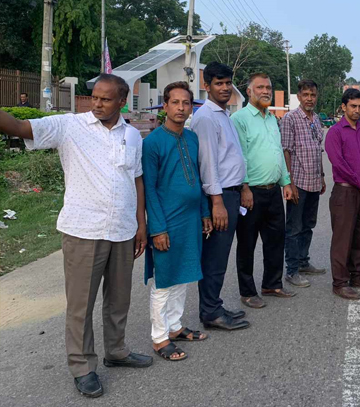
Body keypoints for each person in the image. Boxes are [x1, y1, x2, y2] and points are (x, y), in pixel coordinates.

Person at [0, 74, 152, 398]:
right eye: (95, 97)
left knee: (119, 299)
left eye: (105, 99)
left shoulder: (133, 136)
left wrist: (141, 224)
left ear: (122, 101)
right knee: (81, 306)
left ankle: (117, 350)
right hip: (84, 231)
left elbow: (136, 180)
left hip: (123, 230)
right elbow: (17, 128)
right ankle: (82, 366)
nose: (97, 103)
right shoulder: (70, 127)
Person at [142, 82, 213, 361]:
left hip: (191, 219)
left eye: (186, 103)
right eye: (175, 102)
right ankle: (159, 337)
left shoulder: (192, 138)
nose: (181, 108)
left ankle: (175, 327)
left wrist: (205, 212)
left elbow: (197, 178)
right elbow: (149, 189)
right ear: (165, 105)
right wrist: (157, 228)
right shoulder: (152, 143)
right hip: (167, 222)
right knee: (164, 279)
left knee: (183, 274)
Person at [190, 62, 249, 330]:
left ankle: (214, 304)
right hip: (220, 196)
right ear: (207, 85)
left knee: (221, 254)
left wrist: (243, 187)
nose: (225, 88)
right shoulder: (206, 117)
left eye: (228, 83)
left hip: (232, 193)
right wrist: (216, 202)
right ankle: (210, 312)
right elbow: (208, 163)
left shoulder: (224, 114)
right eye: (219, 83)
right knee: (214, 256)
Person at [231, 73, 295, 309]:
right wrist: (244, 187)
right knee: (247, 244)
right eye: (260, 87)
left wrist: (286, 182)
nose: (266, 91)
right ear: (249, 91)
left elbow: (277, 151)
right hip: (251, 193)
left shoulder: (271, 119)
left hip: (274, 192)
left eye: (268, 87)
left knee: (276, 241)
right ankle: (247, 292)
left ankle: (272, 284)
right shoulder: (240, 119)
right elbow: (240, 155)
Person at [325, 88, 360, 300]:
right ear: (344, 107)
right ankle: (340, 282)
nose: (357, 110)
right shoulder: (335, 132)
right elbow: (338, 164)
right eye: (353, 106)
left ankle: (357, 275)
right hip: (345, 192)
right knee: (342, 239)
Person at [280, 79, 327, 288]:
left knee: (308, 225)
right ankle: (291, 270)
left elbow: (318, 150)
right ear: (299, 96)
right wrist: (288, 183)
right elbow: (286, 151)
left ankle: (303, 261)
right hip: (298, 182)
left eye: (313, 95)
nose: (309, 98)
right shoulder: (290, 119)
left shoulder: (316, 119)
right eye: (306, 94)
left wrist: (323, 176)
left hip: (315, 181)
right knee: (294, 227)